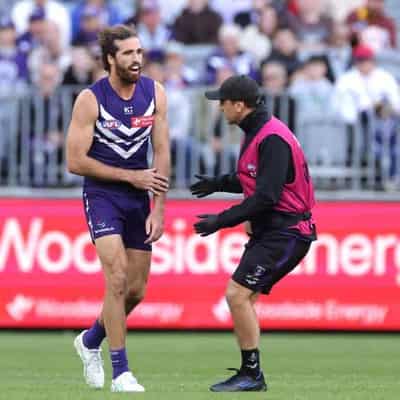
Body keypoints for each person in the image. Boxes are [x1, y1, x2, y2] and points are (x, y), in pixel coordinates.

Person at [190, 75, 317, 392]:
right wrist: (219, 183)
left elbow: (266, 196)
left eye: (222, 102)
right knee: (243, 298)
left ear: (238, 105)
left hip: (286, 232)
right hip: (275, 231)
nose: (219, 108)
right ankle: (250, 372)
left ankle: (251, 375)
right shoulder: (259, 131)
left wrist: (220, 221)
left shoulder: (271, 138)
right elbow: (253, 180)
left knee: (237, 295)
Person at [66, 24, 170, 392]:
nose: (136, 59)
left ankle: (90, 339)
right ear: (110, 59)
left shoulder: (155, 93)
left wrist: (158, 208)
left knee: (137, 290)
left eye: (139, 52)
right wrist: (130, 177)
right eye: (128, 53)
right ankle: (121, 371)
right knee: (117, 277)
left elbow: (161, 151)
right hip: (102, 196)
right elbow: (75, 161)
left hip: (138, 196)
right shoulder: (90, 100)